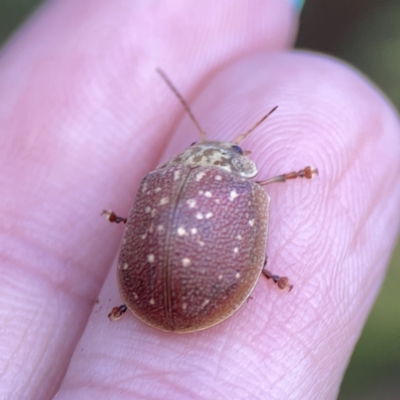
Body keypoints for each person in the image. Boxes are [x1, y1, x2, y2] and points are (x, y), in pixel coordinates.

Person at [0, 1, 399, 399]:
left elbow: (144, 227)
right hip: (175, 290)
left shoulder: (157, 181)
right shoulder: (236, 187)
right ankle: (263, 275)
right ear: (236, 163)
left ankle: (136, 305)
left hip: (149, 293)